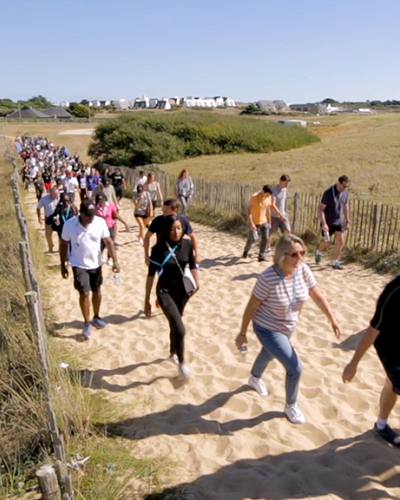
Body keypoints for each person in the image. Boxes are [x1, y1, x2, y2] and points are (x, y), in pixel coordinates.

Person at [236, 234, 341, 424]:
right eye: (294, 254)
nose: (299, 258)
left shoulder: (303, 270)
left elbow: (317, 295)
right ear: (282, 255)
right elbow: (251, 307)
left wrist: (332, 318)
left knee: (269, 353)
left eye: (302, 253)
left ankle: (254, 378)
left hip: (288, 324)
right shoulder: (267, 278)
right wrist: (242, 333)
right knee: (295, 368)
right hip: (266, 327)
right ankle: (290, 406)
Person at [343, 276, 400, 447]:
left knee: (392, 384)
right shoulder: (395, 291)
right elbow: (373, 330)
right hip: (391, 346)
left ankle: (381, 425)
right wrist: (353, 364)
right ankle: (381, 425)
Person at [145, 215, 199, 378]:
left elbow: (193, 264)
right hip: (164, 291)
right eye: (173, 229)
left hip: (183, 291)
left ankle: (173, 351)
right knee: (180, 329)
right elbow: (150, 276)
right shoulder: (158, 249)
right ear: (166, 230)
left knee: (174, 323)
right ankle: (182, 363)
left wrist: (197, 283)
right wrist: (146, 300)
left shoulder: (188, 245)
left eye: (179, 228)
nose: (176, 232)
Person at [60, 199, 120, 340]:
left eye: (92, 215)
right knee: (84, 293)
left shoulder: (99, 222)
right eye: (88, 215)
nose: (91, 218)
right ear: (80, 213)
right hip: (78, 264)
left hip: (96, 263)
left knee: (97, 290)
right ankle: (86, 322)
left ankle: (97, 316)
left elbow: (108, 241)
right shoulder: (70, 225)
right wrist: (63, 264)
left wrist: (115, 261)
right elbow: (63, 244)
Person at [144, 198, 200, 266]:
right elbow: (147, 237)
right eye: (163, 210)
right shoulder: (158, 221)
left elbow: (193, 237)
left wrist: (197, 254)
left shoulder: (182, 221)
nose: (163, 213)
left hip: (179, 254)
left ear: (174, 211)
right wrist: (146, 255)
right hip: (162, 255)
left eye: (166, 211)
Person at [242, 185, 286, 262]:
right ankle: (246, 251)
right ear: (263, 191)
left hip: (264, 221)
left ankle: (261, 255)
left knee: (265, 238)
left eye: (269, 195)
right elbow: (249, 212)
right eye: (267, 195)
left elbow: (269, 209)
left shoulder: (268, 198)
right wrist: (251, 223)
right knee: (251, 239)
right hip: (254, 222)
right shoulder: (254, 197)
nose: (268, 196)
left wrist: (271, 220)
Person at [315, 175, 350, 270]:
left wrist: (347, 219)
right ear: (338, 183)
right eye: (343, 186)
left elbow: (345, 205)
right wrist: (324, 223)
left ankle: (335, 262)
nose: (345, 188)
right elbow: (321, 208)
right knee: (327, 241)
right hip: (328, 221)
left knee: (340, 240)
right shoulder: (328, 193)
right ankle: (318, 251)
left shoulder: (345, 193)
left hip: (339, 220)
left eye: (347, 186)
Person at [95, 193, 129, 265]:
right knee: (101, 244)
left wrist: (124, 223)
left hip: (110, 227)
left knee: (111, 244)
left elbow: (116, 215)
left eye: (102, 201)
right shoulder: (96, 208)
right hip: (99, 229)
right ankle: (100, 255)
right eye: (100, 201)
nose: (101, 203)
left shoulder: (110, 206)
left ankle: (109, 258)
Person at [269, 174, 291, 249]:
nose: (287, 184)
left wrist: (283, 214)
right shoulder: (274, 191)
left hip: (283, 214)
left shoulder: (285, 190)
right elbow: (273, 205)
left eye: (288, 183)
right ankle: (267, 246)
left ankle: (284, 247)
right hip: (274, 216)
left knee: (287, 230)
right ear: (281, 181)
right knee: (271, 233)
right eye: (285, 183)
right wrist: (280, 215)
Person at [37, 186, 60, 252]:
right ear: (50, 193)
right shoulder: (44, 199)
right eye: (53, 195)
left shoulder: (60, 198)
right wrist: (39, 218)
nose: (54, 197)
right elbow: (38, 208)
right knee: (48, 234)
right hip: (49, 219)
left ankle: (60, 248)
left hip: (58, 219)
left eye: (56, 195)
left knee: (61, 234)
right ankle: (50, 246)